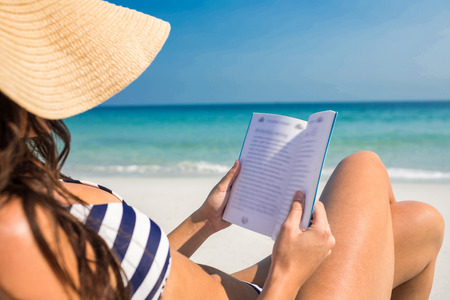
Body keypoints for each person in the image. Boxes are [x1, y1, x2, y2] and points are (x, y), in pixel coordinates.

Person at [0, 0, 444, 299]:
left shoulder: (26, 182)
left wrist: (204, 220)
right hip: (276, 293)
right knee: (363, 167)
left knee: (423, 223)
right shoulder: (14, 235)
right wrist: (288, 273)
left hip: (246, 289)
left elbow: (130, 279)